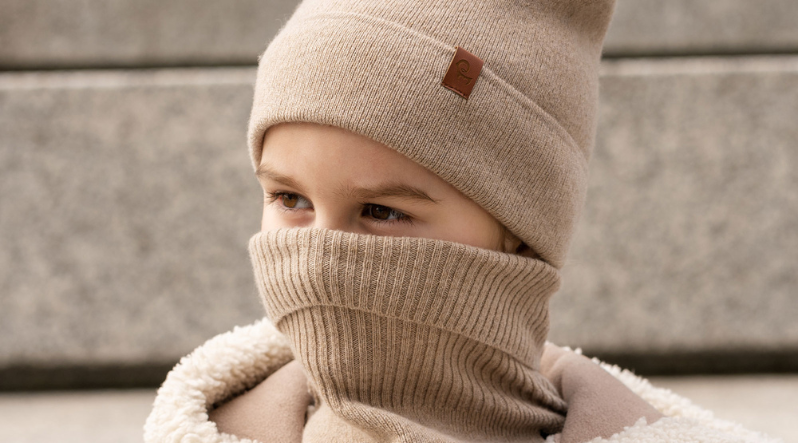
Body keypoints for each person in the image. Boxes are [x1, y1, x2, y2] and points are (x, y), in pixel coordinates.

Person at [144, 1, 781, 442]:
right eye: (290, 200)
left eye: (383, 211)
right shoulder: (207, 425)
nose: (320, 254)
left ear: (519, 231)